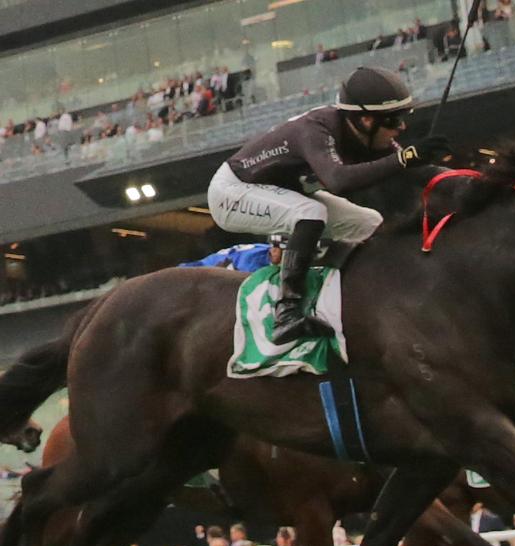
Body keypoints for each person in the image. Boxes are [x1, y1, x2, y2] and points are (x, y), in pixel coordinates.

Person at [206, 65, 450, 344]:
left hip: (277, 189)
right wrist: (405, 158)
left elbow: (418, 170)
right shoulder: (316, 130)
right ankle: (286, 313)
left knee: (368, 222)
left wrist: (479, 181)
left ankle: (351, 296)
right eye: (394, 120)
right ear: (367, 121)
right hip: (232, 192)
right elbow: (338, 181)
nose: (402, 127)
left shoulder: (365, 132)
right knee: (311, 212)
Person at [179, 237, 283, 272]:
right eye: (275, 247)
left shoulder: (263, 252)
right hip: (206, 268)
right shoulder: (253, 261)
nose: (275, 251)